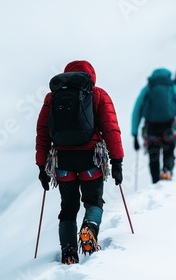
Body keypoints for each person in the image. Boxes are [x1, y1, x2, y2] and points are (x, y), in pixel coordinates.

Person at [36, 60, 124, 265]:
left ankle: (68, 252)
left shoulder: (52, 97)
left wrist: (42, 166)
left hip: (62, 161)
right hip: (91, 158)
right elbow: (111, 129)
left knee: (68, 208)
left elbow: (42, 133)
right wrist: (117, 160)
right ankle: (89, 229)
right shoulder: (98, 94)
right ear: (90, 76)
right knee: (94, 201)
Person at [131, 68, 176, 183]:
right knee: (169, 151)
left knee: (153, 156)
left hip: (151, 128)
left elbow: (137, 110)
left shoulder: (148, 88)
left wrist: (134, 134)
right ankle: (166, 170)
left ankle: (155, 181)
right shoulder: (172, 87)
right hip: (169, 125)